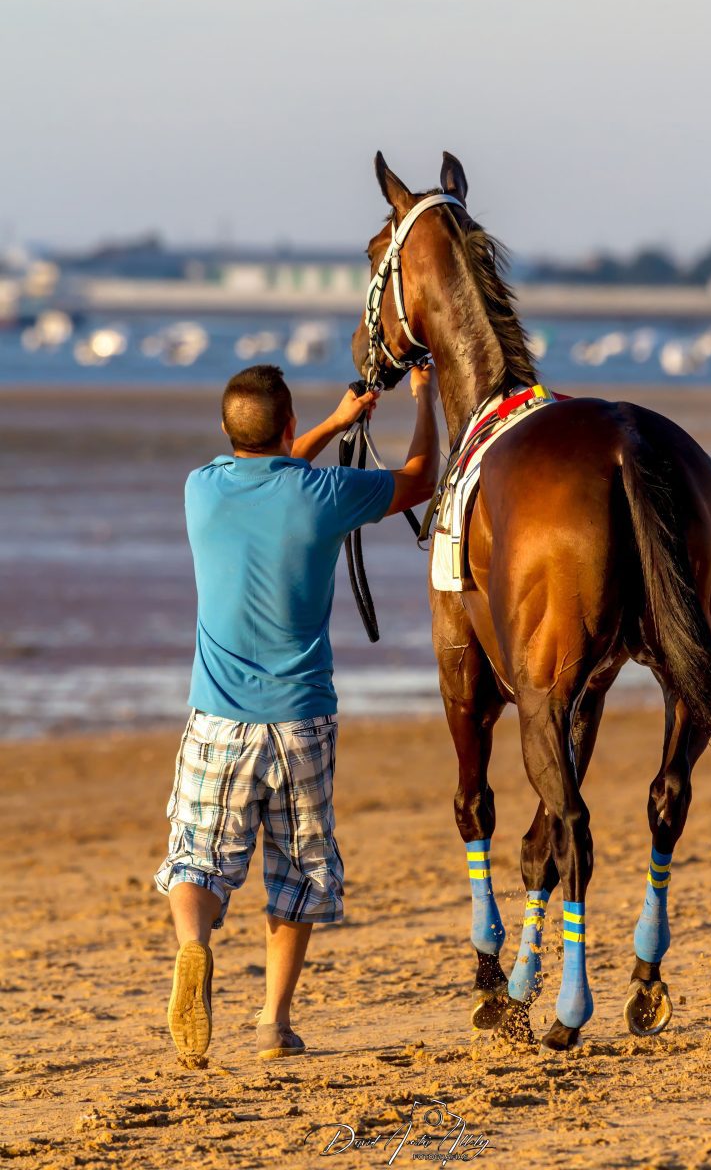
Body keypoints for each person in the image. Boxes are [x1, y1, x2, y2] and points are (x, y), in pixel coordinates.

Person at [154, 362, 439, 1061]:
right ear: (288, 425)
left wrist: (334, 424)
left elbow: (272, 466)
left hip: (218, 717)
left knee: (196, 858)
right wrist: (424, 398)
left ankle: (194, 944)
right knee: (298, 871)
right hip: (301, 720)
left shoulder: (201, 488)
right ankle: (273, 1025)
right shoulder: (324, 494)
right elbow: (420, 479)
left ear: (227, 431)